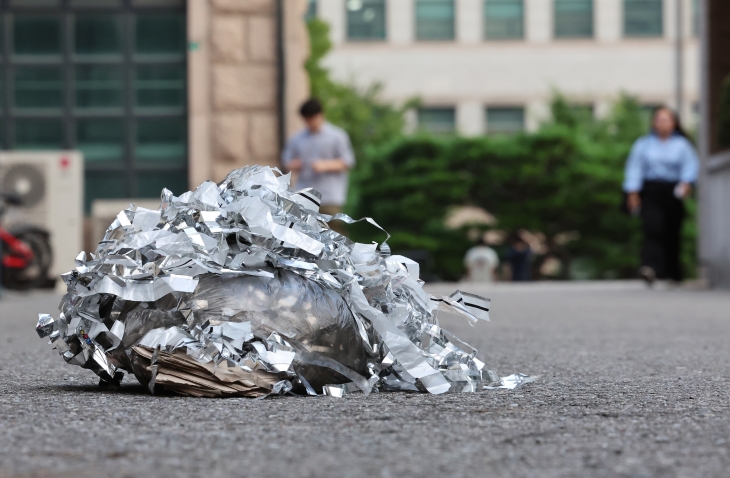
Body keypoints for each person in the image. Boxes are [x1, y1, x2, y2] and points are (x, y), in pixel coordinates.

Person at [623, 107, 699, 284]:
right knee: (652, 228)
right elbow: (634, 168)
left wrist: (687, 183)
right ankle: (650, 268)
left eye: (666, 120)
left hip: (673, 191)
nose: (662, 123)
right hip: (651, 191)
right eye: (659, 119)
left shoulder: (682, 145)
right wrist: (632, 192)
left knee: (672, 231)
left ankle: (673, 272)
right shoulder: (644, 144)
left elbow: (690, 167)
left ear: (674, 123)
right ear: (653, 123)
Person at [281, 98, 355, 232]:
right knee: (305, 233)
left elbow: (347, 161)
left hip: (329, 195)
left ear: (320, 115)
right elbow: (287, 161)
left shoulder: (337, 136)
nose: (310, 123)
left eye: (313, 118)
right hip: (305, 194)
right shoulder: (297, 139)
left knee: (333, 233)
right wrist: (295, 164)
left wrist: (325, 165)